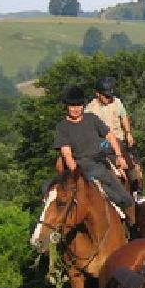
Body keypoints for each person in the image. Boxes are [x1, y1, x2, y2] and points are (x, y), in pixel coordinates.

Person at [53, 84, 134, 221]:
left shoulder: (91, 118)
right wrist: (76, 174)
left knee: (127, 198)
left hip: (102, 160)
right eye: (72, 106)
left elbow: (110, 136)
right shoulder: (62, 127)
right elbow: (67, 154)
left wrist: (119, 156)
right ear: (66, 107)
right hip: (83, 166)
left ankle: (135, 193)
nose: (76, 109)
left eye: (79, 105)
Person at [85, 76, 144, 202]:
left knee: (135, 164)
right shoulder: (90, 110)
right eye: (106, 96)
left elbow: (124, 117)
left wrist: (128, 133)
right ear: (97, 94)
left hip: (120, 139)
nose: (109, 98)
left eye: (110, 95)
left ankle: (136, 190)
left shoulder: (116, 102)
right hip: (103, 142)